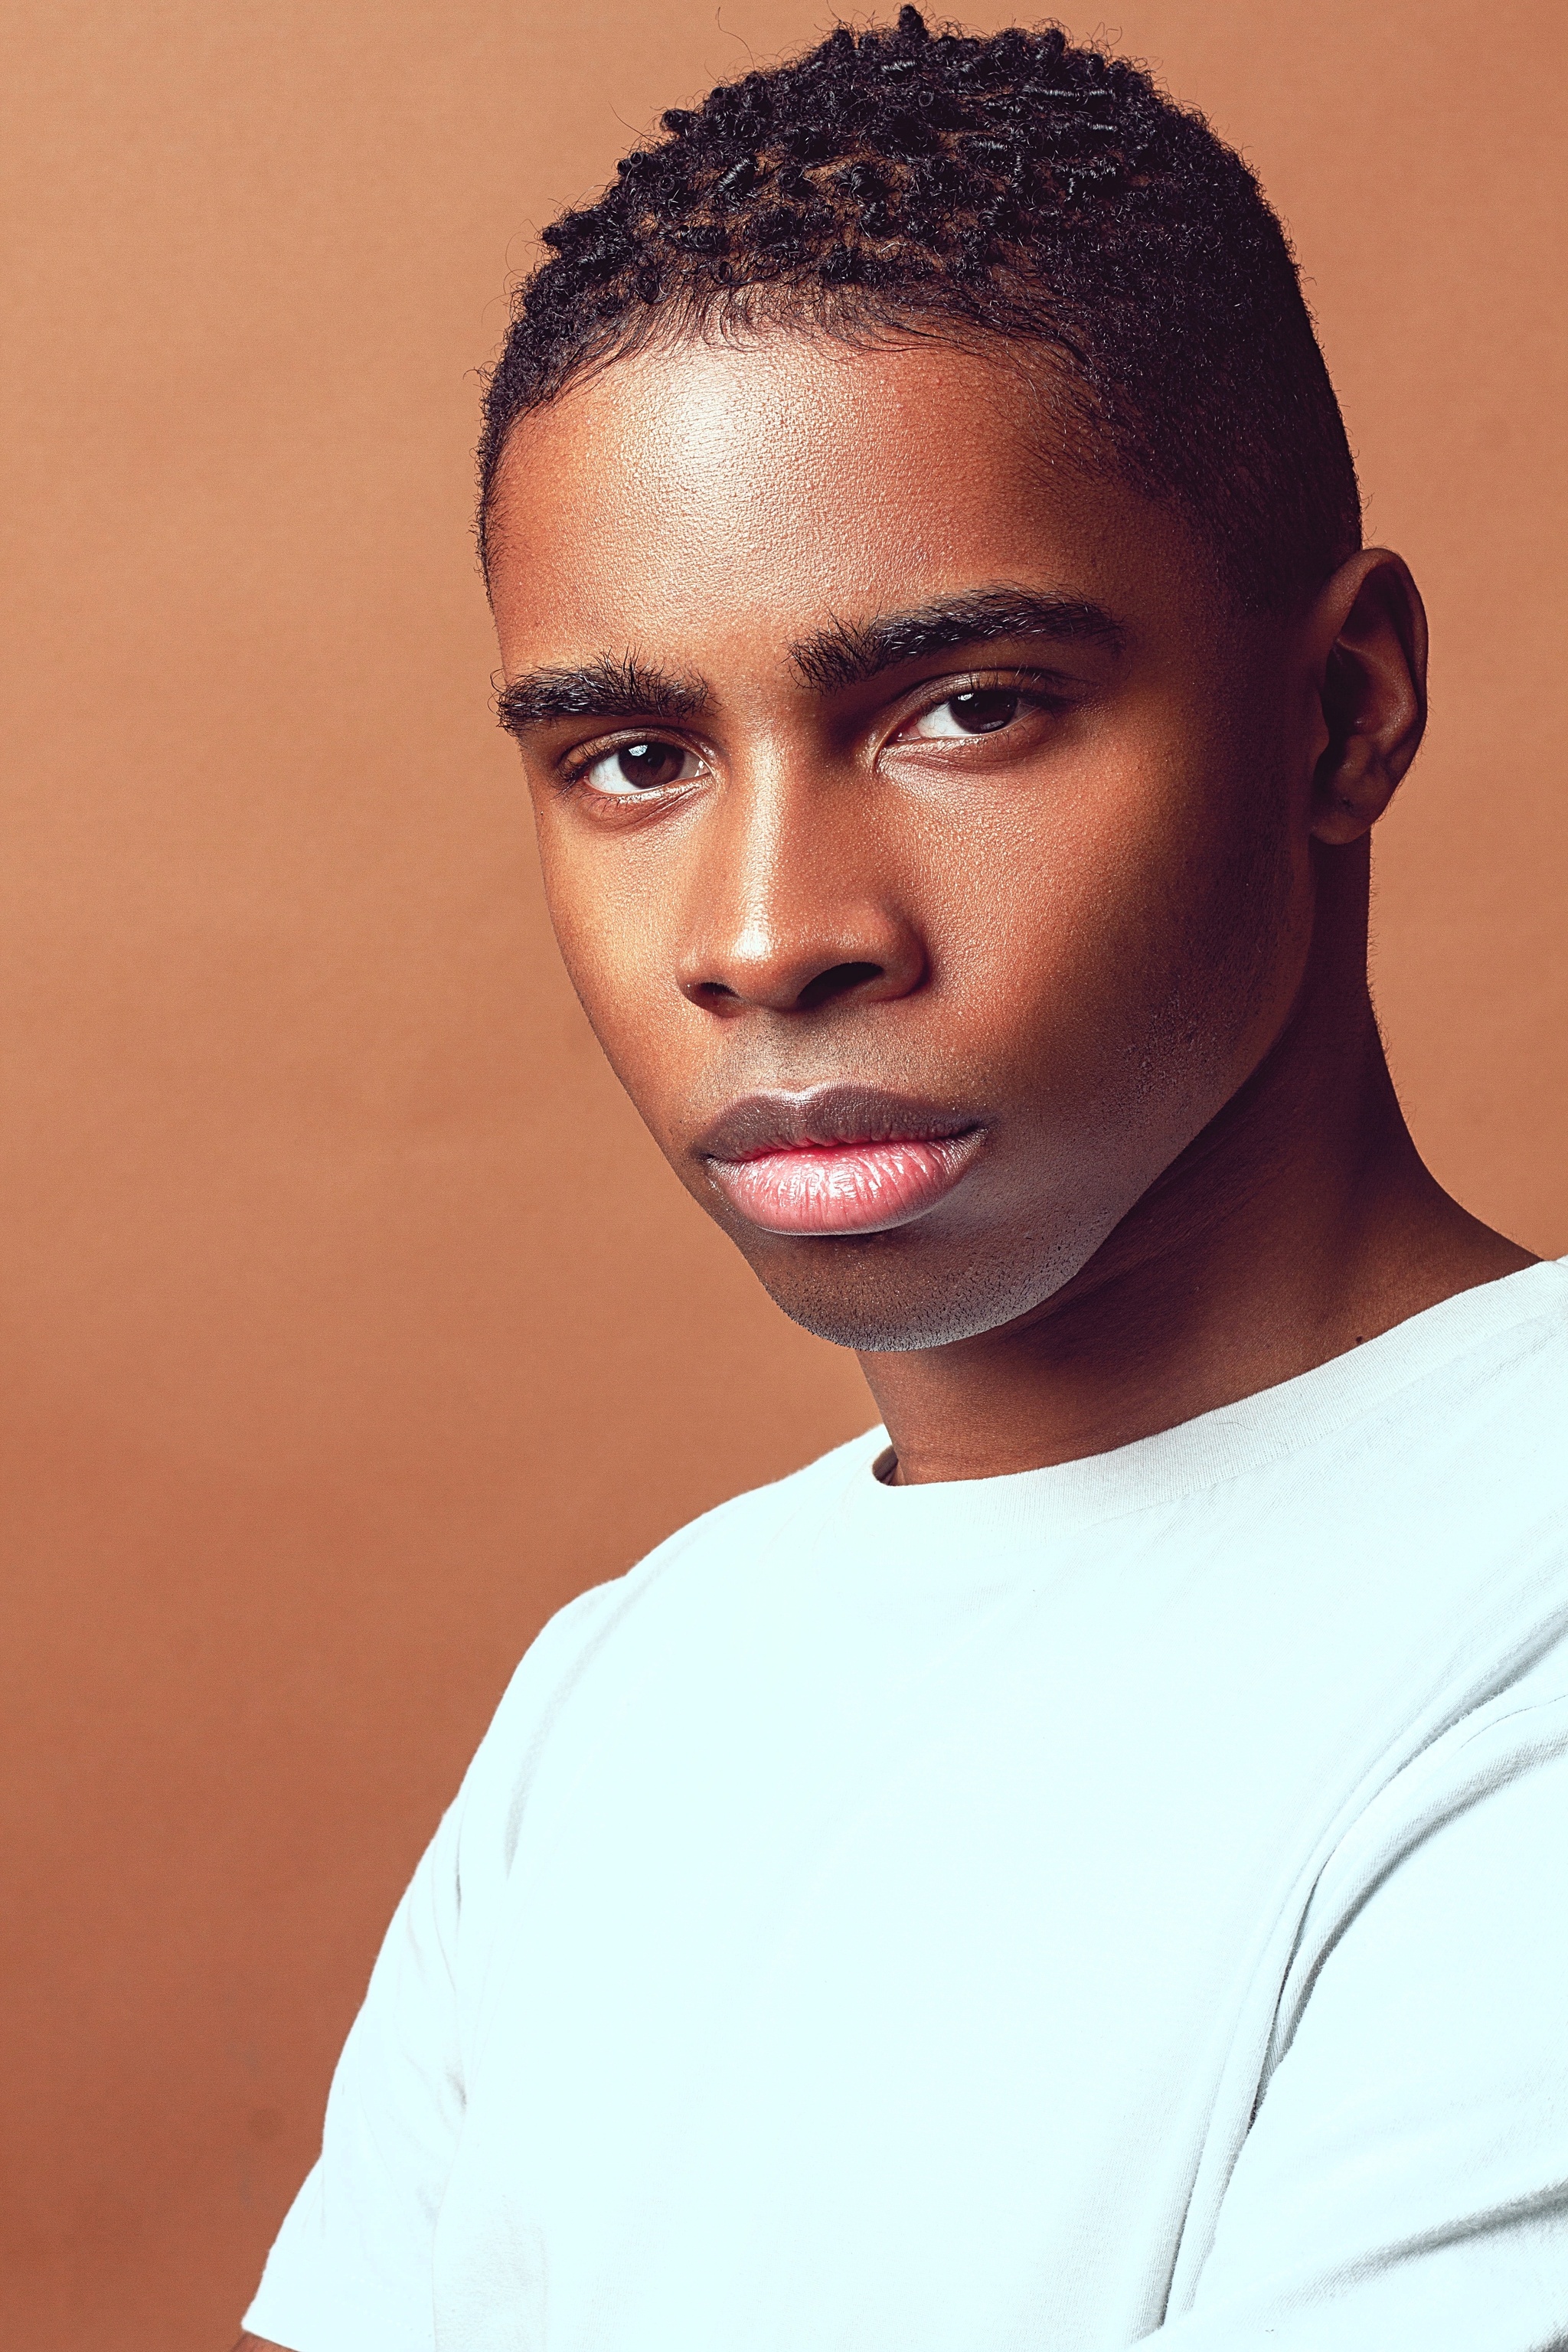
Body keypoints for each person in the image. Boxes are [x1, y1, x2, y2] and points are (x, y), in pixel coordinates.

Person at [237, 13, 1568, 2348]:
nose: (766, 931)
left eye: (965, 709)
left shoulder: (1517, 1605)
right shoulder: (627, 1694)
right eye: (633, 754)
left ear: (1340, 713)